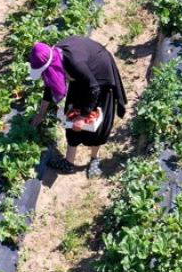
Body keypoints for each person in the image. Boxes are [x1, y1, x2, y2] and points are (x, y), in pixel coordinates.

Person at [30, 38, 126, 177]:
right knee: (71, 114)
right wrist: (41, 113)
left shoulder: (74, 62)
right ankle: (69, 162)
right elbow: (49, 87)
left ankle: (95, 158)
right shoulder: (55, 58)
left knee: (96, 122)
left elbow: (94, 88)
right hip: (84, 77)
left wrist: (83, 116)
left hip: (99, 78)